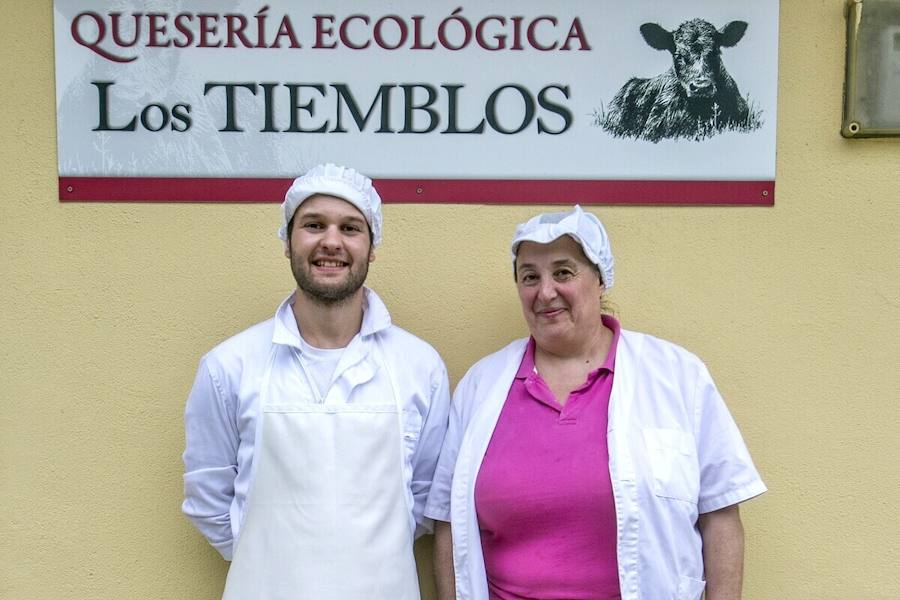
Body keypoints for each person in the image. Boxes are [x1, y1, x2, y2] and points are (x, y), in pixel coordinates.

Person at [425, 206, 766, 600]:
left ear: (601, 278)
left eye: (563, 272)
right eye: (529, 276)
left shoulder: (676, 375)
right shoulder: (482, 385)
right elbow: (449, 521)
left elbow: (720, 513)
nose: (545, 291)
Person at [182, 163, 451, 599]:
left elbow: (424, 501)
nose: (331, 241)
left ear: (371, 246)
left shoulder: (419, 367)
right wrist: (271, 562)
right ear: (288, 243)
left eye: (350, 227)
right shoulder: (229, 366)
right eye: (313, 225)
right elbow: (207, 499)